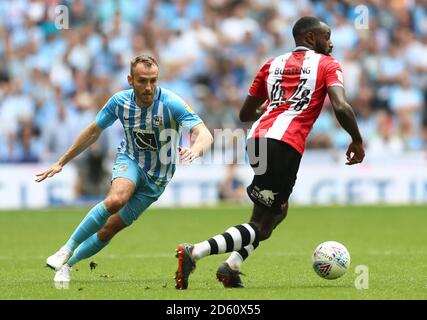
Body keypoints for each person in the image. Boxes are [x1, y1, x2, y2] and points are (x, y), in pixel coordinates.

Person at [174, 16, 365, 290]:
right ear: (311, 38)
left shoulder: (271, 64)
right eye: (327, 36)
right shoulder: (327, 65)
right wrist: (357, 140)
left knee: (278, 210)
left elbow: (244, 113)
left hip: (257, 141)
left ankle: (231, 267)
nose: (331, 43)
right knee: (261, 225)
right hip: (284, 146)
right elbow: (342, 106)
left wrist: (271, 109)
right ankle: (195, 252)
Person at [36, 55, 213, 283]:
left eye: (153, 80)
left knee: (108, 230)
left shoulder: (171, 103)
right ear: (130, 79)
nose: (148, 87)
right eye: (142, 80)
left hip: (157, 179)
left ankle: (68, 265)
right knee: (116, 200)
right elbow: (93, 131)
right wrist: (61, 161)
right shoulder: (119, 102)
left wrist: (196, 149)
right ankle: (66, 249)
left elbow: (204, 133)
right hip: (129, 160)